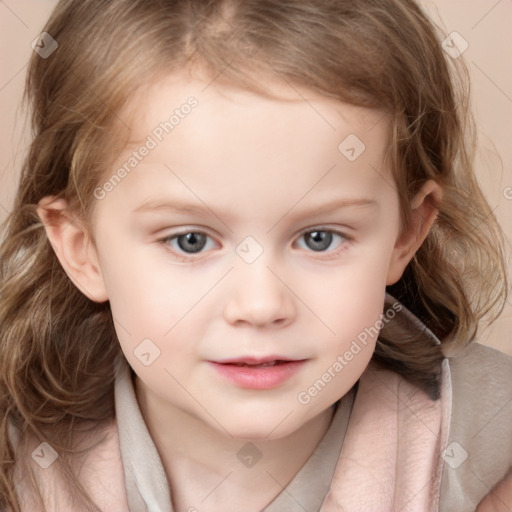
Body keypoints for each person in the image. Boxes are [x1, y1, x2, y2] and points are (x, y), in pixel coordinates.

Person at [0, 0, 511, 510]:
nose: (261, 305)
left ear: (407, 233)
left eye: (319, 238)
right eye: (190, 241)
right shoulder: (21, 470)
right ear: (81, 248)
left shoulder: (480, 441)